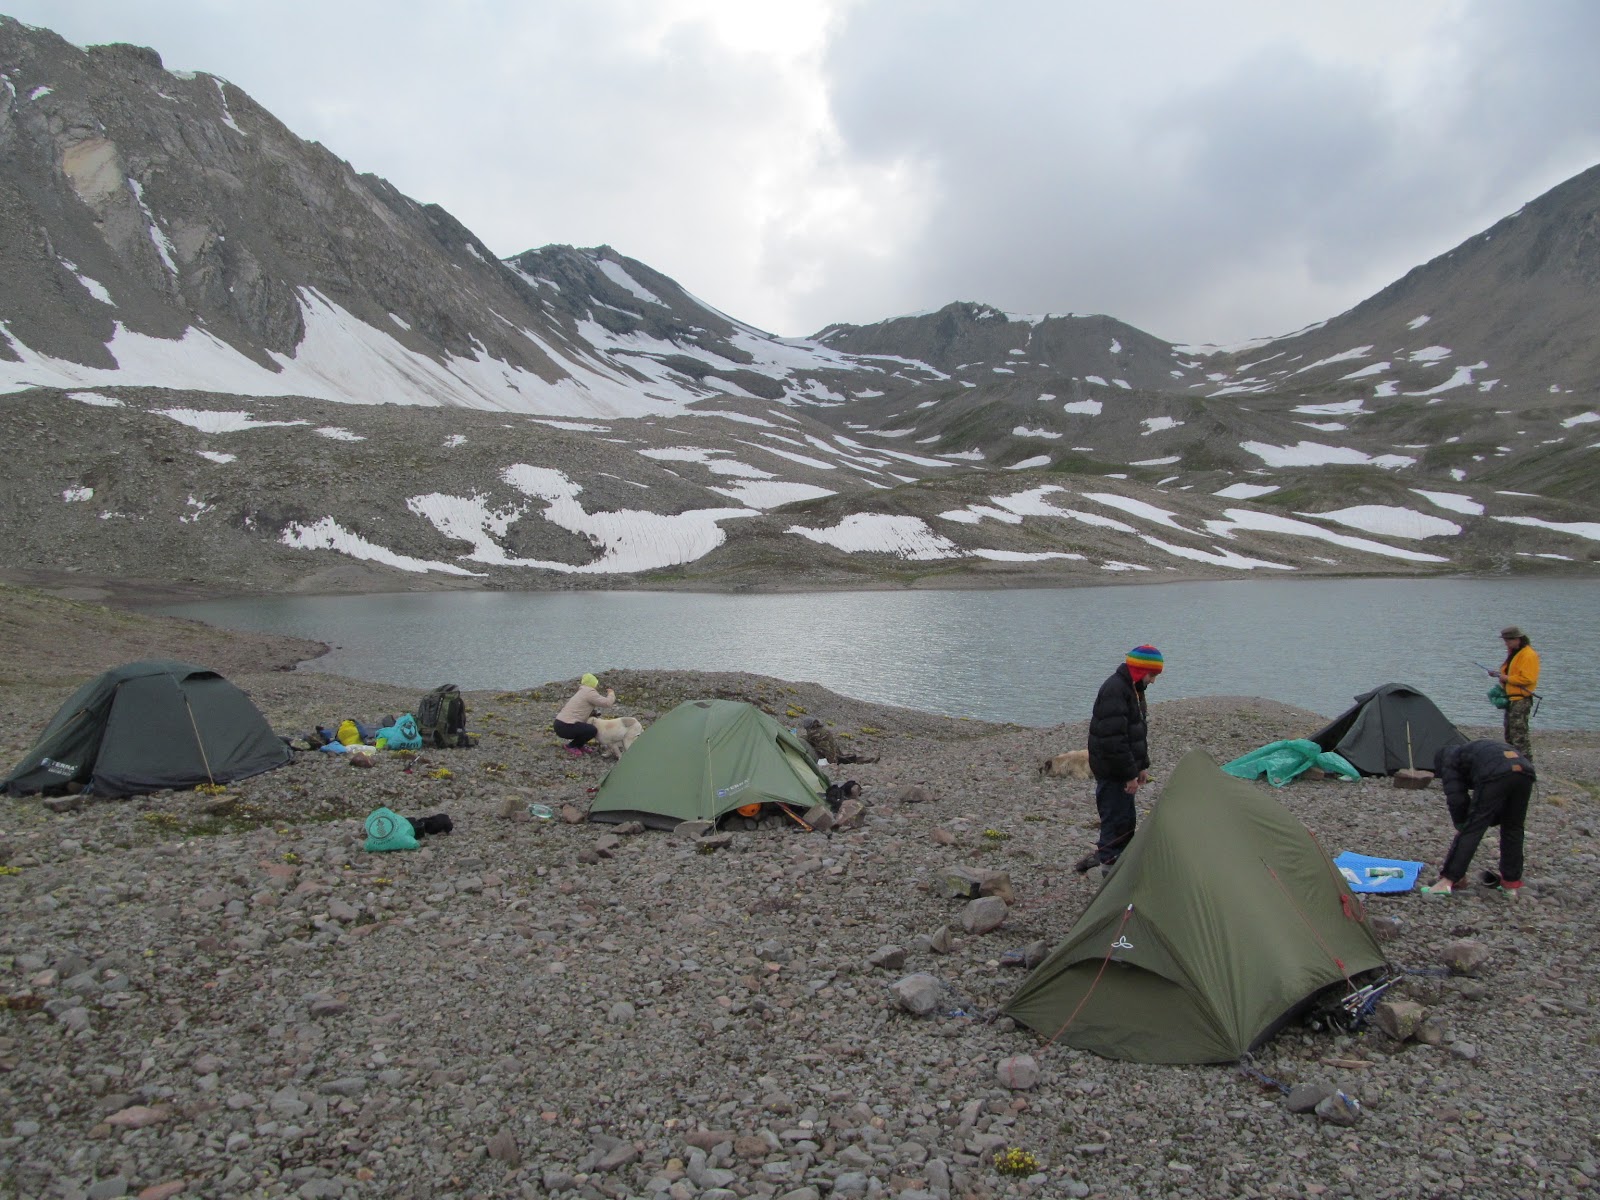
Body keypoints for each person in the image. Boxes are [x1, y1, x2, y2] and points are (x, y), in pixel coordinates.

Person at [1077, 644, 1163, 873]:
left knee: (1125, 817)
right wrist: (1128, 774)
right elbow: (1113, 741)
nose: (1153, 681)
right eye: (1152, 675)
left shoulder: (1134, 690)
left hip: (1121, 768)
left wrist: (1141, 766)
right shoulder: (1115, 690)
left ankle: (1117, 859)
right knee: (1114, 816)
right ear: (1140, 670)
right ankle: (1108, 865)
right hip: (1111, 769)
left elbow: (1135, 733)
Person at [1420, 738, 1535, 896]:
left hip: (1496, 772)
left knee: (1472, 828)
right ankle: (1511, 883)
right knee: (1513, 828)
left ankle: (1447, 881)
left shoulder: (1449, 761)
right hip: (1524, 770)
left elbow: (1456, 798)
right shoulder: (1470, 752)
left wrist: (1462, 823)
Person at [1493, 625, 1540, 762]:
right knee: (1509, 734)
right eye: (1505, 641)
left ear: (1518, 639)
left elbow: (1528, 678)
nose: (1506, 643)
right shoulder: (1514, 653)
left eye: (1509, 640)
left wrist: (1506, 678)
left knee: (1519, 735)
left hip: (1521, 700)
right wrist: (1499, 674)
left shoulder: (1528, 655)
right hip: (1511, 699)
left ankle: (1525, 764)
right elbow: (1511, 673)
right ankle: (1513, 762)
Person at [552, 672, 615, 755]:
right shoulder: (589, 692)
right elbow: (607, 703)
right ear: (593, 684)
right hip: (566, 726)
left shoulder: (582, 691)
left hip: (559, 724)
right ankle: (571, 746)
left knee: (585, 727)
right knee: (592, 730)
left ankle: (579, 745)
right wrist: (611, 693)